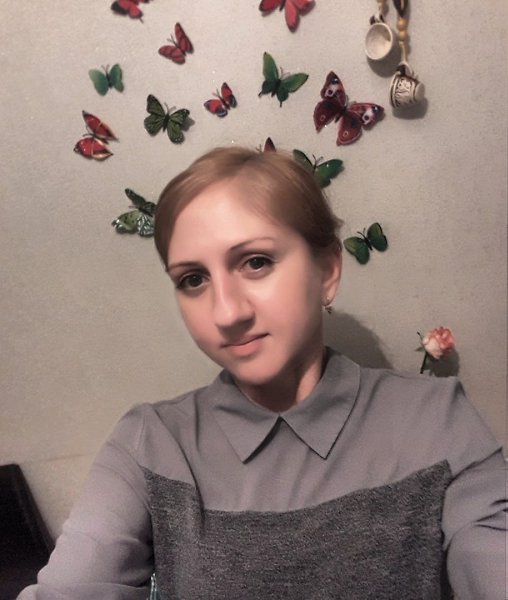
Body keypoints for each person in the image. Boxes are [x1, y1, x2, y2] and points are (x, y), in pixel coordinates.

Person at [19, 147, 506, 599]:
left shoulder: (436, 420)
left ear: (327, 271)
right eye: (193, 279)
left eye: (256, 262)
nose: (226, 312)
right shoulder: (150, 443)